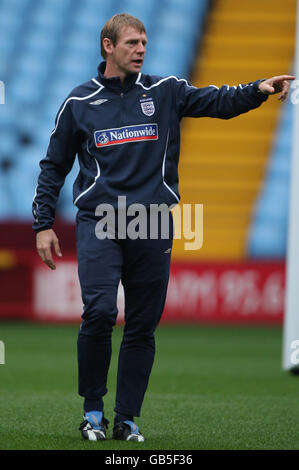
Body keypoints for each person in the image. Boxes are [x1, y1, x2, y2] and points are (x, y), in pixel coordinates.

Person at [32, 13, 294, 442]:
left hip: (152, 222)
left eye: (144, 44)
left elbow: (217, 101)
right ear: (107, 46)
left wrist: (258, 90)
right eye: (132, 43)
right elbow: (52, 167)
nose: (140, 50)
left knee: (141, 325)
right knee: (99, 313)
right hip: (100, 221)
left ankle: (127, 419)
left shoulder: (166, 90)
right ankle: (92, 410)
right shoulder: (78, 103)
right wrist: (43, 222)